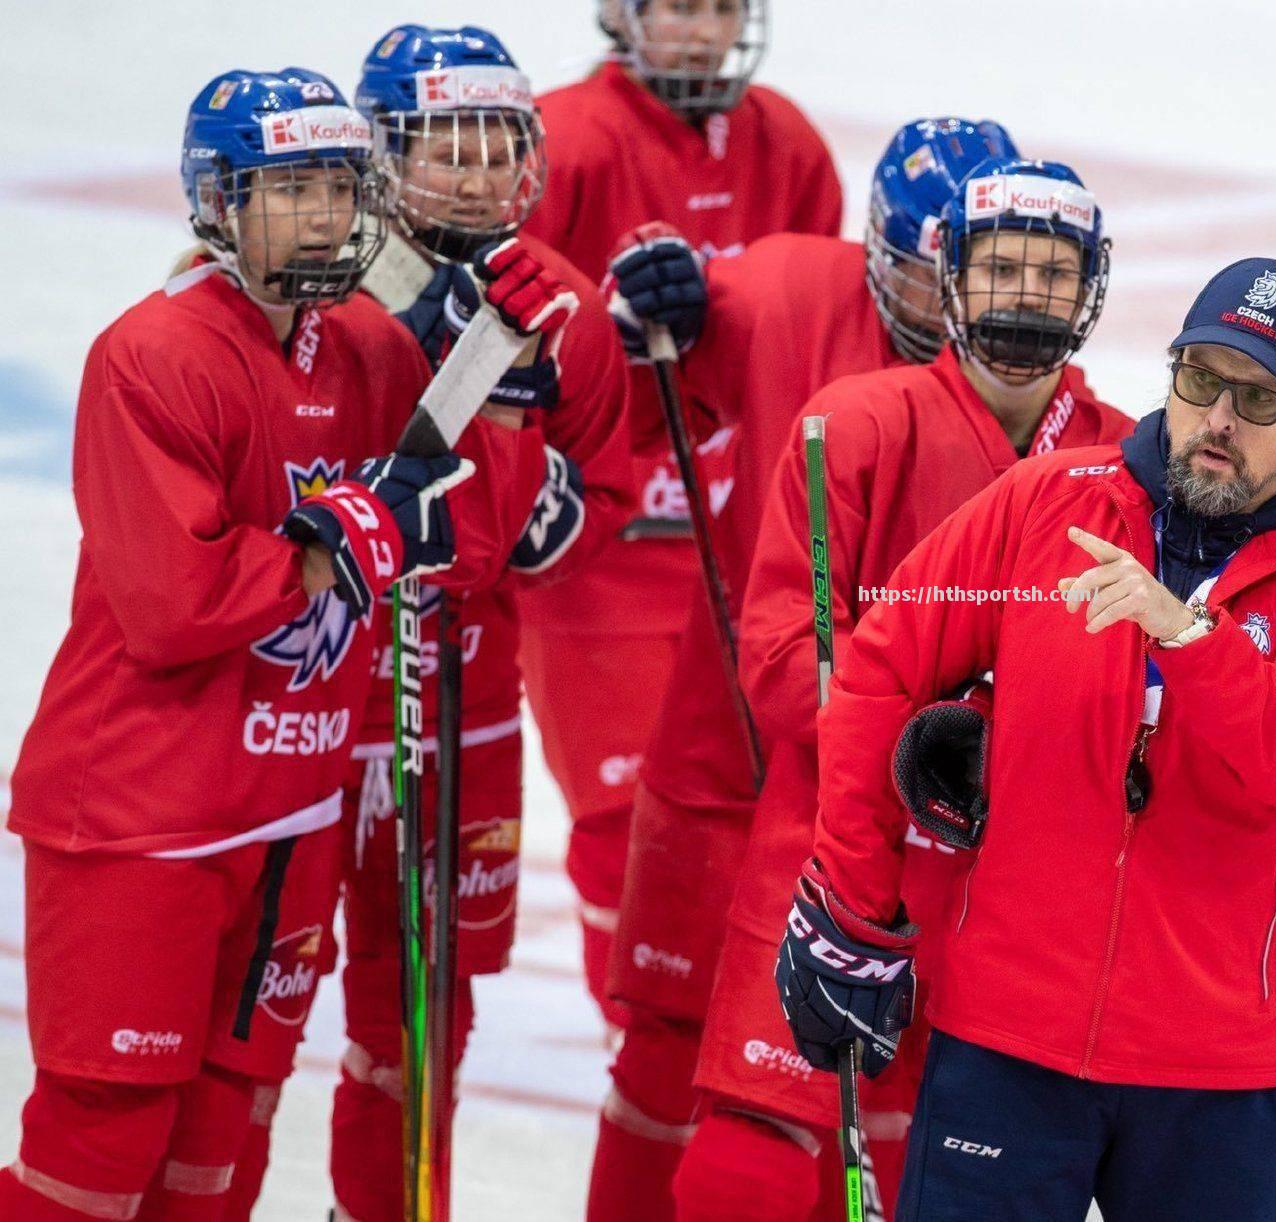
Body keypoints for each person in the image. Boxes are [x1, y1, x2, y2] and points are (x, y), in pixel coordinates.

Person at [777, 254, 1276, 1221]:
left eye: (1258, 398)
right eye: (1201, 378)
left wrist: (1188, 637)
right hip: (1008, 1039)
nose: (1218, 419)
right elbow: (881, 669)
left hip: (1216, 1067)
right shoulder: (1045, 502)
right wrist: (852, 904)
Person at [0, 68, 532, 1220]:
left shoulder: (377, 353)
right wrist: (341, 535)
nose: (323, 215)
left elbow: (469, 545)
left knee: (219, 1146)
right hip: (145, 812)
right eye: (287, 188)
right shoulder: (153, 355)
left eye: (339, 188)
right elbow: (170, 602)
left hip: (292, 807)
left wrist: (500, 372)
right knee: (101, 1140)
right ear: (218, 201)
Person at [583, 118, 1019, 1221]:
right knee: (666, 1049)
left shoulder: (1024, 387)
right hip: (721, 751)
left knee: (853, 1073)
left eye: (976, 275)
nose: (953, 304)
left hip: (893, 795)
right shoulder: (778, 289)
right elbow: (624, 405)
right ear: (880, 249)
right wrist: (643, 303)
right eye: (930, 273)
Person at [304, 26, 636, 1222]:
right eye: (448, 148)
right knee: (250, 990)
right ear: (385, 151)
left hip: (465, 683)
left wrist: (492, 386)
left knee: (423, 1007)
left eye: (502, 146)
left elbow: (564, 530)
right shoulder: (309, 278)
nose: (480, 174)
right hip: (303, 691)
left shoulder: (553, 302)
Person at [517, 0, 847, 1020]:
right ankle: (644, 1048)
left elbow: (816, 329)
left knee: (751, 812)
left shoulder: (785, 140)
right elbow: (501, 335)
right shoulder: (563, 139)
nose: (701, 33)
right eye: (678, 7)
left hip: (745, 548)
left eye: (720, 8)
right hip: (601, 559)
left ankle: (724, 1059)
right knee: (624, 827)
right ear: (625, 12)